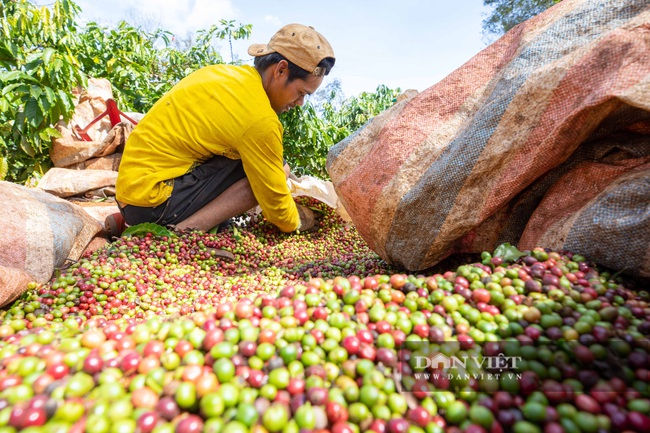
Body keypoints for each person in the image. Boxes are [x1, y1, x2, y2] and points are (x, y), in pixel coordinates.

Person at [108, 23, 335, 238]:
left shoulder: (226, 75)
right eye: (302, 93)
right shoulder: (259, 118)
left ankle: (136, 220)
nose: (299, 103)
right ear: (281, 70)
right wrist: (297, 221)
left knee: (272, 165)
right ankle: (181, 233)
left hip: (131, 192)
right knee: (271, 172)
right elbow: (278, 209)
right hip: (154, 204)